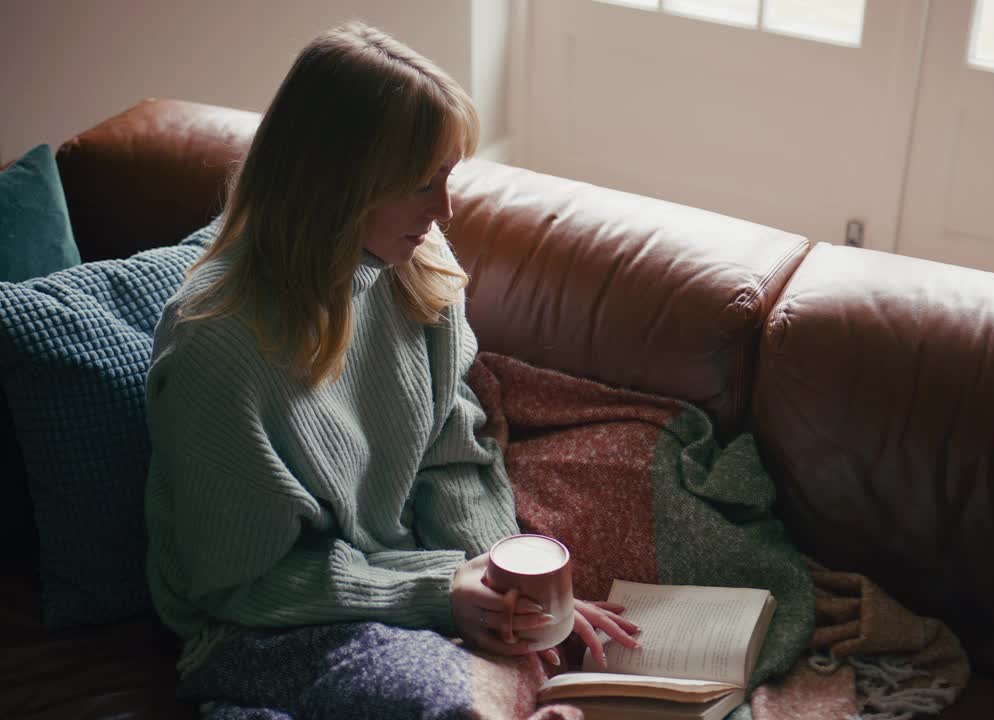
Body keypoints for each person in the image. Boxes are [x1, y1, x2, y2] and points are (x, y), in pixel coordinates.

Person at [143, 20, 639, 717]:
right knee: (441, 698)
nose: (444, 210)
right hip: (267, 623)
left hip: (404, 568)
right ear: (337, 186)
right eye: (421, 184)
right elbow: (236, 586)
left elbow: (453, 457)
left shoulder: (416, 268)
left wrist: (504, 585)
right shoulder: (221, 354)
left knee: (646, 470)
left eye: (448, 177)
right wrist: (437, 593)